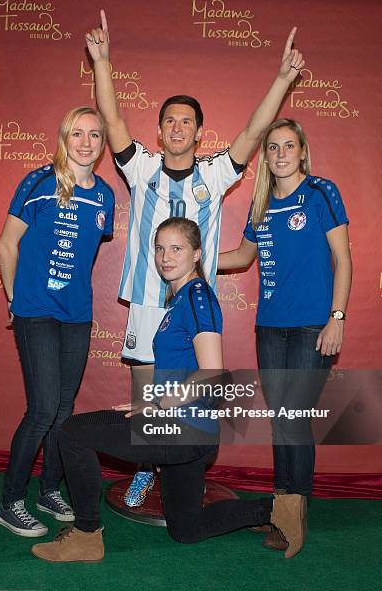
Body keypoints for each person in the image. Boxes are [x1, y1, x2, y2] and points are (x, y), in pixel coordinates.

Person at [85, 10, 305, 506]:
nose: (177, 127)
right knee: (147, 392)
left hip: (192, 302)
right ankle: (145, 467)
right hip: (146, 296)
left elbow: (252, 132)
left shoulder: (216, 172)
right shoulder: (141, 166)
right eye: (170, 121)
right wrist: (102, 62)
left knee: (197, 386)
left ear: (199, 132)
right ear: (160, 131)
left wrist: (283, 79)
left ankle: (186, 469)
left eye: (187, 121)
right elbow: (113, 119)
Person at [31, 217, 307, 563]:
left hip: (182, 430)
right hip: (189, 432)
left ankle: (86, 537)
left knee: (73, 432)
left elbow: (213, 373)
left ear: (196, 254)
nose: (165, 256)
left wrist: (159, 401)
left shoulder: (196, 297)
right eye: (160, 248)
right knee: (186, 529)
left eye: (176, 248)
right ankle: (278, 509)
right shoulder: (180, 299)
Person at [218, 118, 352, 550]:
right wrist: (194, 260)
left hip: (313, 326)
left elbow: (344, 261)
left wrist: (337, 318)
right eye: (272, 147)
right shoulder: (260, 206)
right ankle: (282, 507)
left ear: (301, 151)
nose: (279, 154)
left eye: (287, 146)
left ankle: (295, 514)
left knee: (294, 421)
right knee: (282, 422)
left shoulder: (321, 193)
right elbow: (241, 257)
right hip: (270, 329)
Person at [0, 106, 115, 537]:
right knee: (43, 409)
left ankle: (49, 489)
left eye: (95, 136)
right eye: (77, 134)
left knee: (64, 412)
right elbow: (7, 245)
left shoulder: (104, 196)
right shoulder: (38, 183)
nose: (86, 143)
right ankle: (10, 500)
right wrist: (15, 298)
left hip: (77, 316)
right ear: (64, 138)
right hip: (36, 312)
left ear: (103, 145)